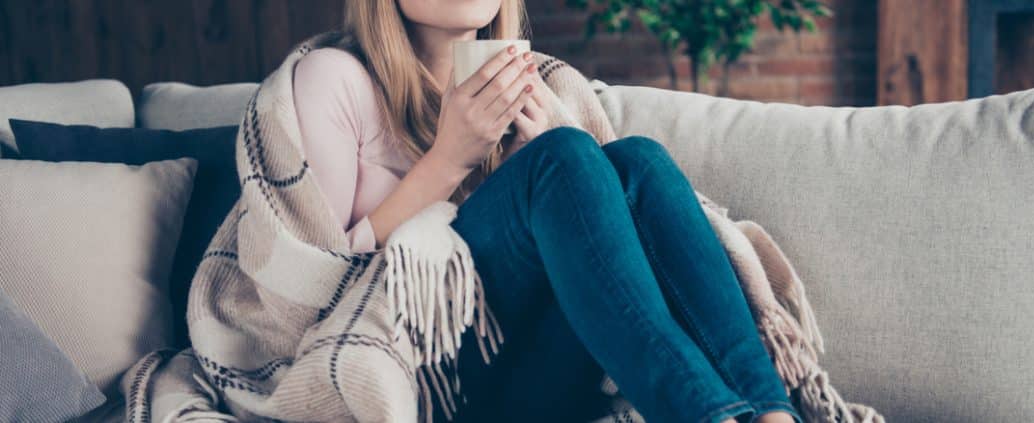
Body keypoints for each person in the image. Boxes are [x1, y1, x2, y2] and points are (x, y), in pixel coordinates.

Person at [290, 1, 800, 422]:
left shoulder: (536, 85)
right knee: (565, 158)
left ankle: (773, 413)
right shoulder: (334, 78)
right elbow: (316, 291)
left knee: (634, 161)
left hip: (540, 374)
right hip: (436, 388)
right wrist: (450, 159)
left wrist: (543, 181)